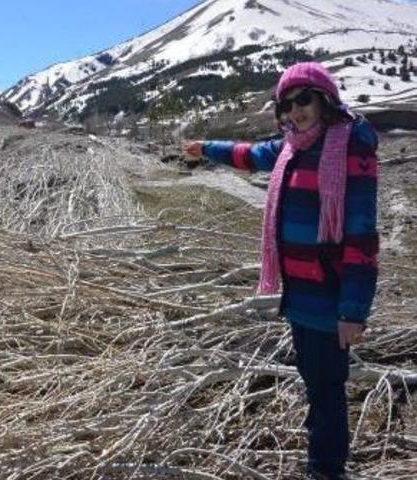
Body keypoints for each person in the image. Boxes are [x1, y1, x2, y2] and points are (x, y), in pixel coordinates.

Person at [184, 62, 379, 479]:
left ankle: (326, 470)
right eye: (285, 105)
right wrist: (206, 147)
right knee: (316, 383)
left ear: (325, 99)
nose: (295, 110)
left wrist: (353, 310)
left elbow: (362, 234)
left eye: (303, 99)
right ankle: (321, 458)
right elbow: (250, 156)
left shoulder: (351, 148)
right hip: (299, 296)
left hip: (330, 297)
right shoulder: (291, 147)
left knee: (326, 390)